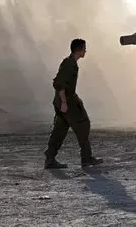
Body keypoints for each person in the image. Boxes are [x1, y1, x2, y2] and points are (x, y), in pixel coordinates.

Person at [44, 38, 103, 169]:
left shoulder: (70, 62)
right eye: (84, 48)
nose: (86, 51)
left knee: (60, 129)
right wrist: (64, 102)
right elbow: (58, 83)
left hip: (62, 101)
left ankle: (50, 158)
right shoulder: (69, 63)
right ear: (80, 49)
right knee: (83, 125)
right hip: (68, 101)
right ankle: (86, 158)